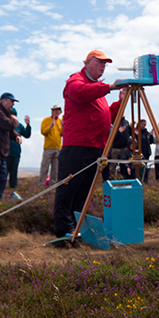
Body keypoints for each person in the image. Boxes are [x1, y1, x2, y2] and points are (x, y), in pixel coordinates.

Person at [53, 50, 123, 238]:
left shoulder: (97, 88)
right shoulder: (76, 80)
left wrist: (120, 103)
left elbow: (106, 116)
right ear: (87, 62)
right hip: (77, 147)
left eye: (105, 64)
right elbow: (78, 93)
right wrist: (109, 87)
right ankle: (63, 228)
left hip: (95, 148)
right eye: (99, 62)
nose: (103, 66)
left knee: (83, 191)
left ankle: (76, 226)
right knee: (68, 190)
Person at [6, 108, 31, 189]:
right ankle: (1, 187)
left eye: (14, 114)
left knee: (14, 171)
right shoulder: (5, 125)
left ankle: (13, 187)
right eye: (11, 114)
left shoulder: (19, 125)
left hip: (16, 153)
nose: (13, 116)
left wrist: (28, 125)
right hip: (6, 152)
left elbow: (27, 135)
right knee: (4, 172)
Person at [39, 104, 63, 187]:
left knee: (55, 169)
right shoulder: (46, 120)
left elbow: (62, 134)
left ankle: (53, 184)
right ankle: (41, 184)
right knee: (44, 167)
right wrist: (51, 125)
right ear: (52, 111)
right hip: (48, 148)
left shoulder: (60, 121)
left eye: (58, 110)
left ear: (60, 112)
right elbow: (43, 132)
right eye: (55, 110)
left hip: (58, 148)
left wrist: (63, 126)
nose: (56, 111)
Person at [102, 116, 131, 181]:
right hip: (115, 147)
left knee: (124, 163)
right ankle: (111, 178)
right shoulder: (113, 123)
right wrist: (119, 132)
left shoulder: (126, 122)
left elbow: (129, 134)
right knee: (113, 164)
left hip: (125, 147)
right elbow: (111, 137)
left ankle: (124, 177)